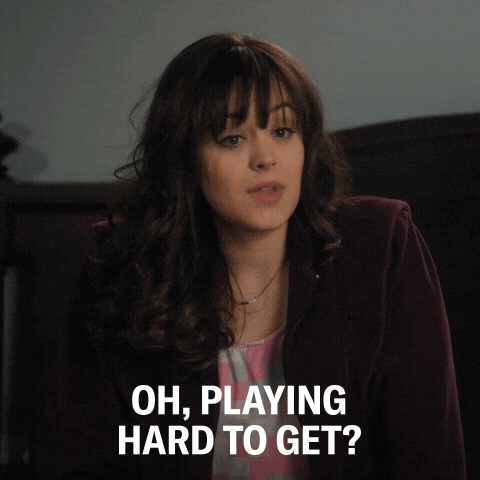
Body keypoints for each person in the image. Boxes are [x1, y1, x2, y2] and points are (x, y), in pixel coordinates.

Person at [34, 33, 465, 479]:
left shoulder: (379, 248)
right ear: (186, 161)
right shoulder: (123, 271)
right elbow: (76, 457)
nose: (265, 158)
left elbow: (429, 455)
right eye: (232, 138)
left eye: (282, 131)